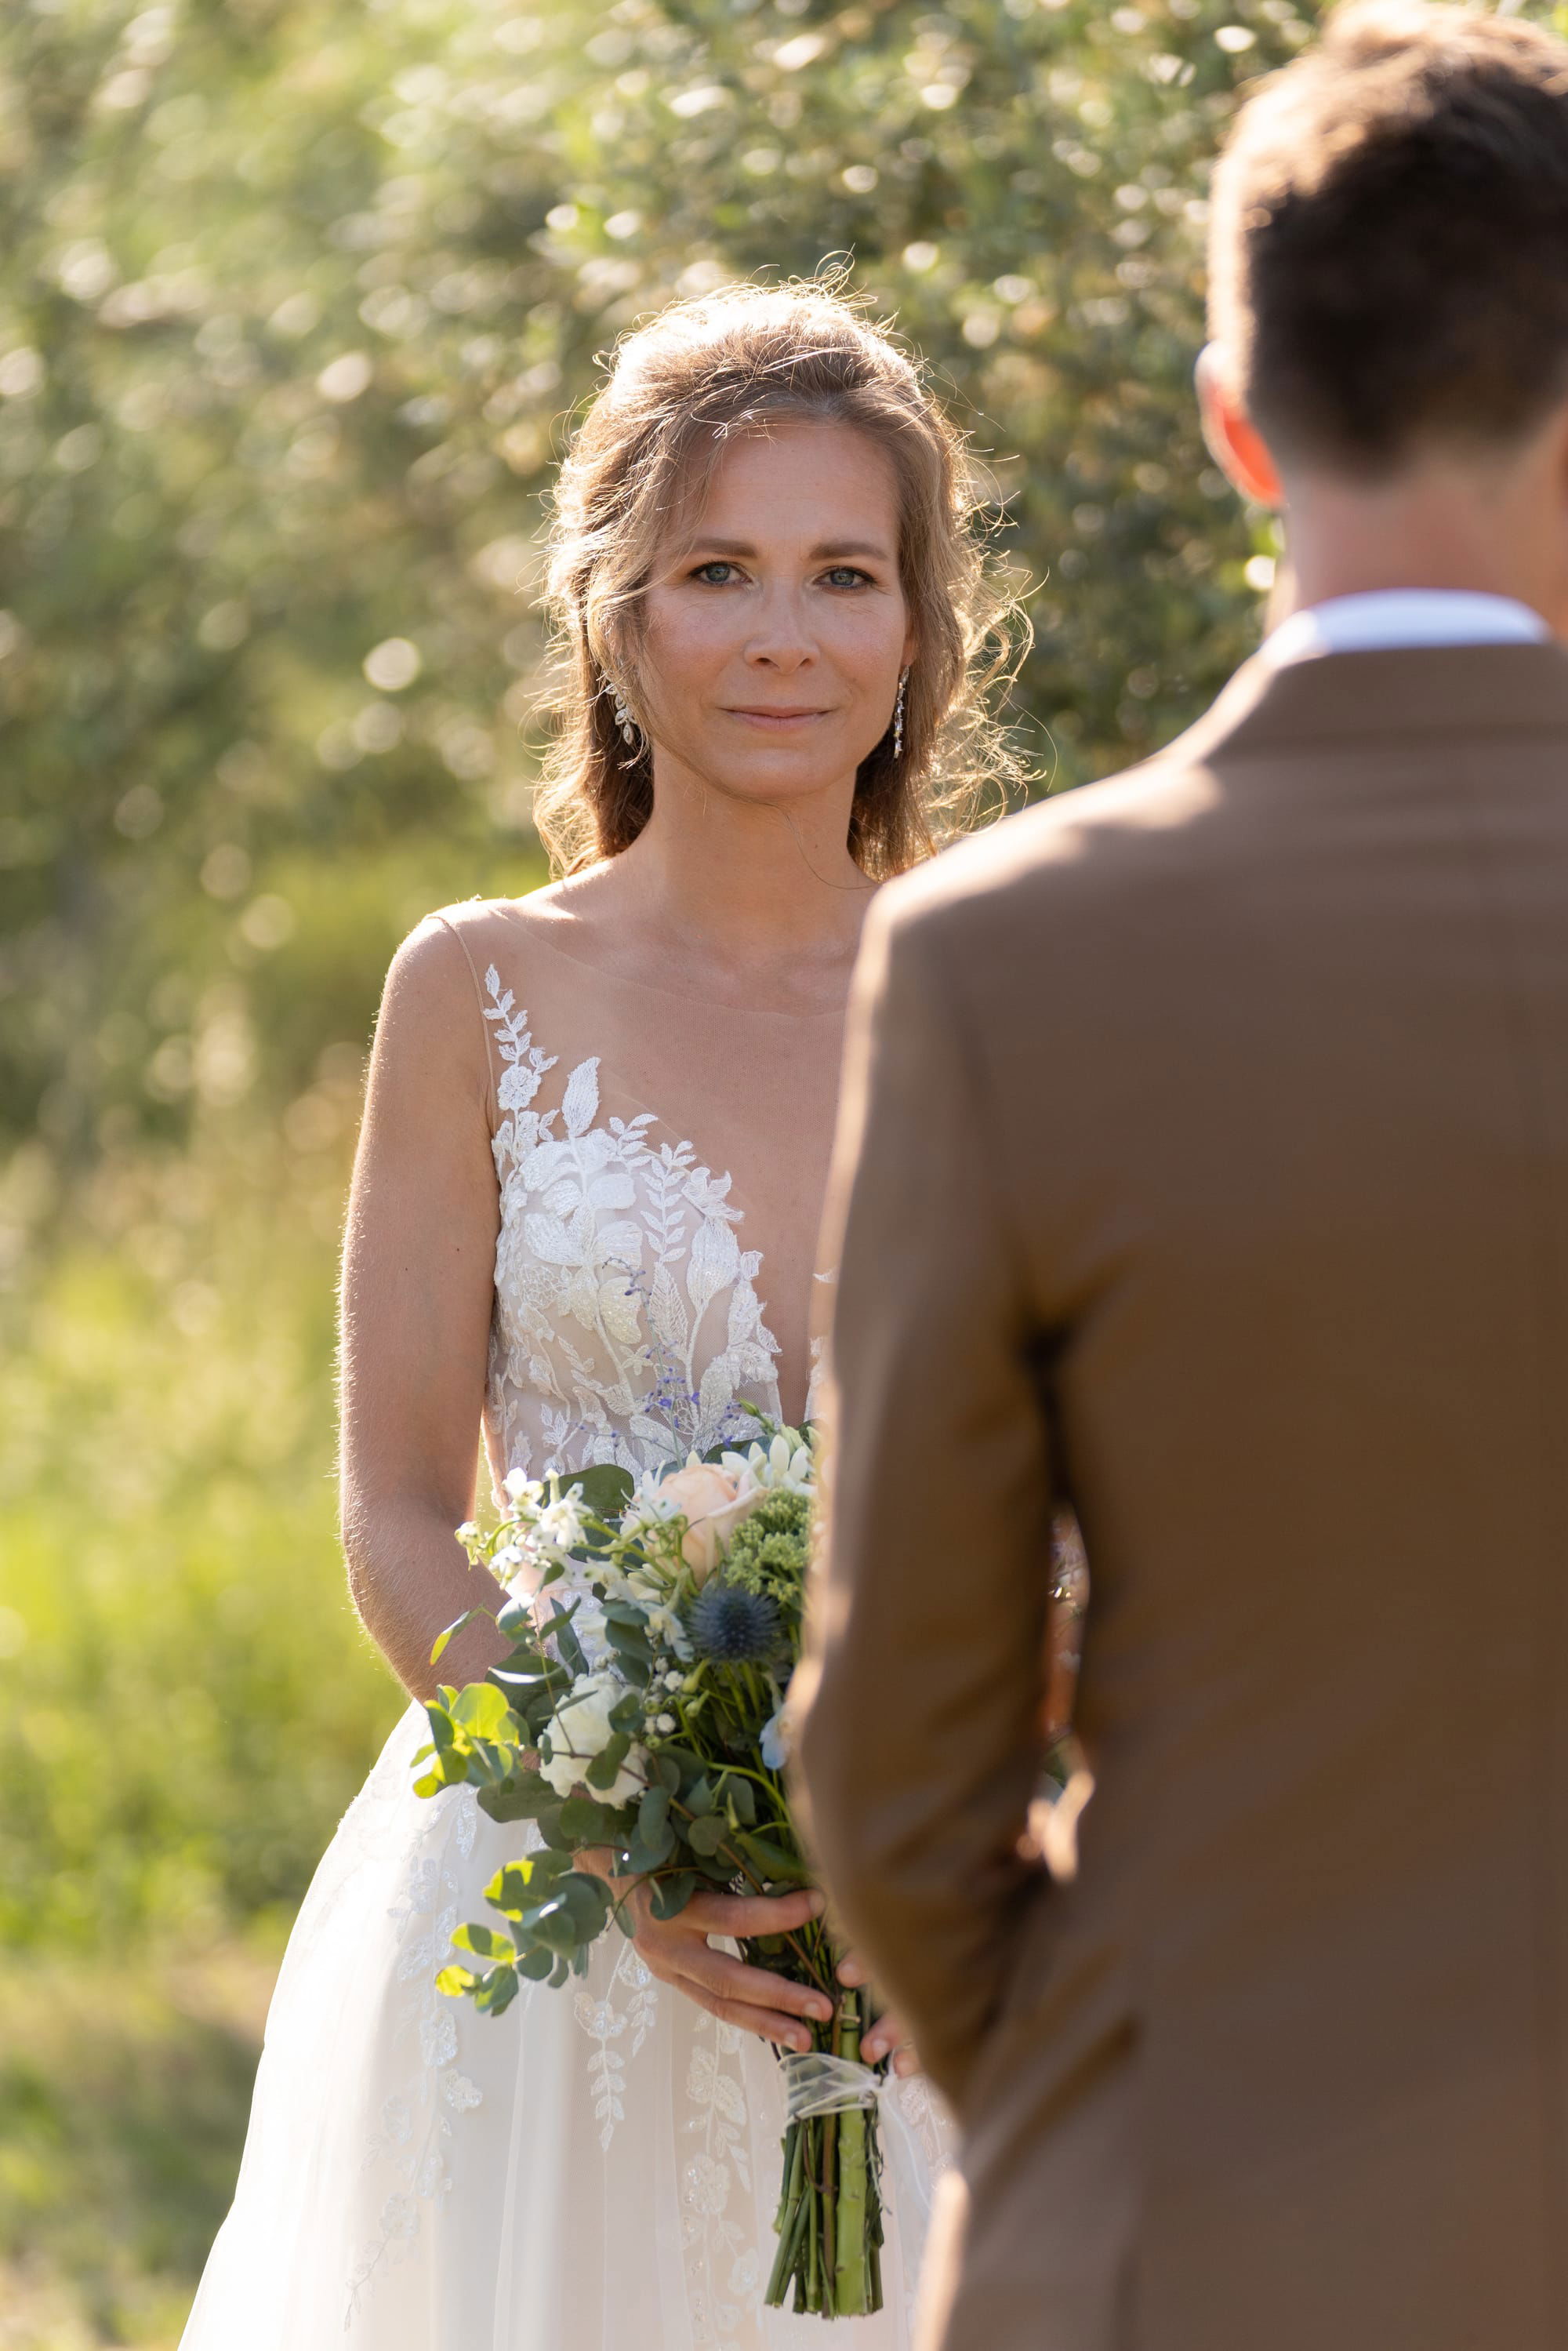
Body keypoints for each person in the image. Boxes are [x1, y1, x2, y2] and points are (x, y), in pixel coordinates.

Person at [794, 8, 1568, 2347]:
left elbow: (898, 1744)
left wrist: (1089, 2064)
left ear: (1236, 423)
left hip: (1201, 2212)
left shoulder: (1009, 956)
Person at [179, 282, 1018, 2350]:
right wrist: (616, 1828)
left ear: (919, 630)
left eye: (844, 575)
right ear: (616, 616)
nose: (780, 638)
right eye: (716, 572)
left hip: (942, 1922)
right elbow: (393, 1507)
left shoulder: (1023, 994)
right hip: (545, 1917)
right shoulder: (474, 991)